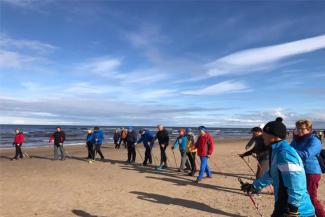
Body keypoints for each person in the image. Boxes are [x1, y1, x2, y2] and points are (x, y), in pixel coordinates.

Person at [241, 120, 315, 217]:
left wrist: (293, 210)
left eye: (265, 133)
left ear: (273, 136)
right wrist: (253, 186)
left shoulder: (285, 153)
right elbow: (271, 174)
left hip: (298, 211)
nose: (262, 136)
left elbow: (296, 182)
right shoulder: (276, 150)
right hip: (283, 205)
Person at [291, 120, 325, 217]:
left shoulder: (314, 140)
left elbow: (306, 154)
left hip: (311, 172)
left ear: (309, 129)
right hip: (298, 172)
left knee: (311, 197)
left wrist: (289, 150)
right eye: (298, 128)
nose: (299, 130)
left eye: (302, 128)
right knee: (300, 197)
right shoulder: (295, 140)